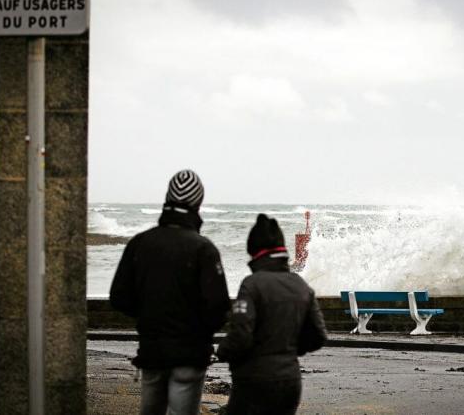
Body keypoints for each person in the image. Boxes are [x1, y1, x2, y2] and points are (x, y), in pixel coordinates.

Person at [110, 169, 230, 415]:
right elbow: (218, 307)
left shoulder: (140, 243)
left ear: (167, 199)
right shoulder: (203, 249)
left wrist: (148, 315)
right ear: (198, 202)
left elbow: (119, 297)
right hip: (190, 352)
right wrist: (198, 329)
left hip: (152, 350)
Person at [217, 214, 328, 415]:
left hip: (254, 380)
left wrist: (222, 351)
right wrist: (291, 350)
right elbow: (319, 336)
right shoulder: (301, 286)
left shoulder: (252, 285)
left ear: (256, 252)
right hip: (290, 381)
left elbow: (241, 334)